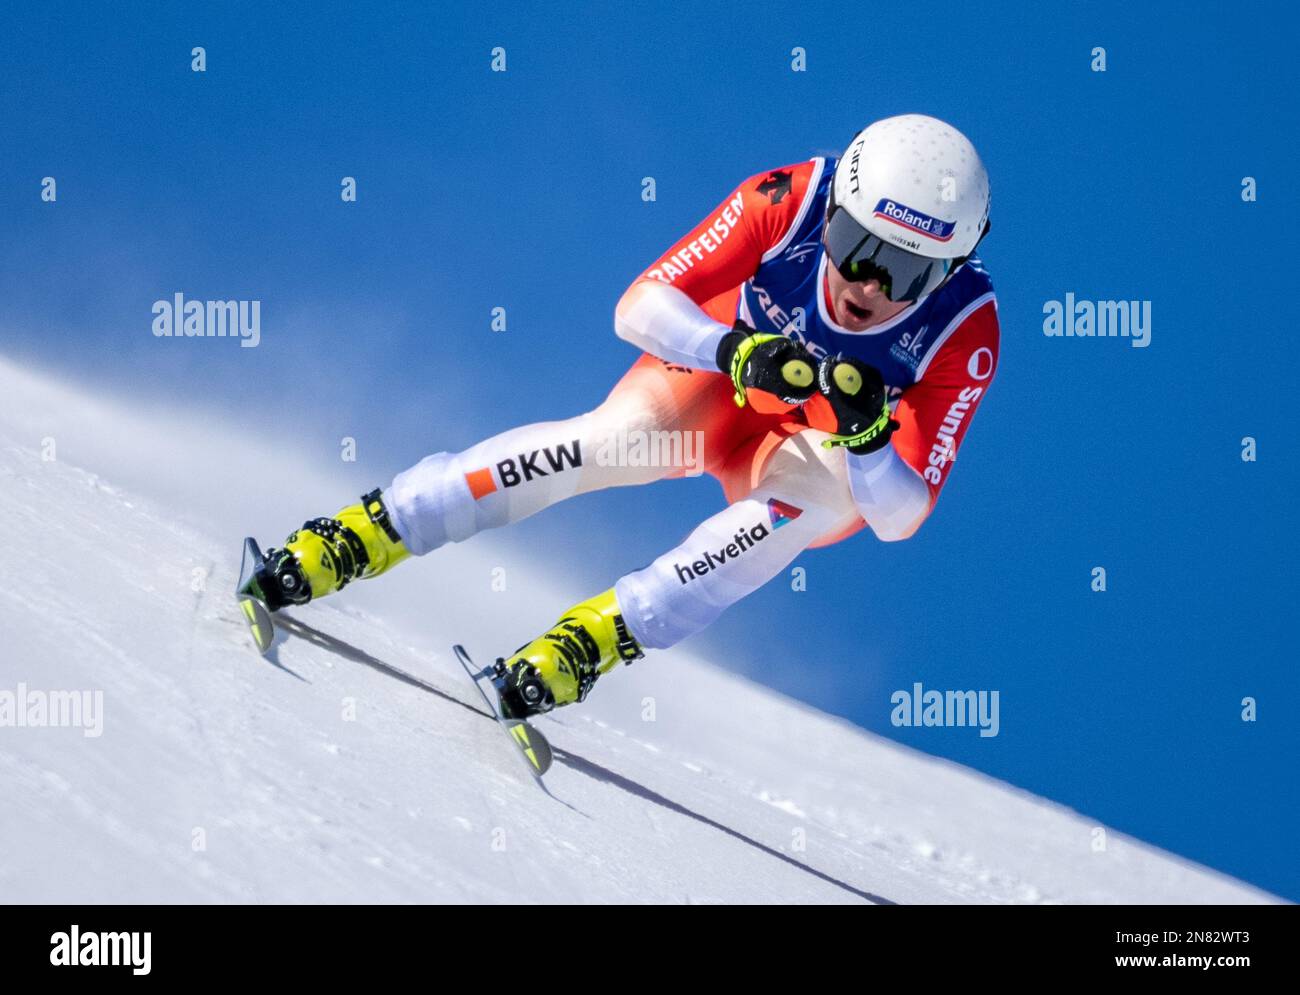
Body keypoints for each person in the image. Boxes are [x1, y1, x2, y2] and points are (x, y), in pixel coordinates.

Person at [242, 113, 1000, 718]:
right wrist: (733, 350)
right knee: (604, 445)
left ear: (949, 273)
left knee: (807, 510)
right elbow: (638, 306)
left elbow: (900, 516)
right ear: (832, 210)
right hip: (716, 389)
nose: (865, 281)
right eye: (852, 242)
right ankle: (368, 530)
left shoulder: (966, 330)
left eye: (903, 270)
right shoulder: (789, 198)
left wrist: (868, 437)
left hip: (807, 453)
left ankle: (596, 640)